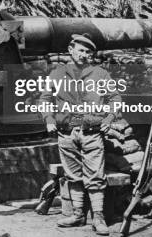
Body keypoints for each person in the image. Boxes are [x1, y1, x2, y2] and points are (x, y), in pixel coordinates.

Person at [40, 34, 120, 236]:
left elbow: (115, 98)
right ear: (70, 49)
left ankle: (98, 217)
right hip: (66, 132)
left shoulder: (100, 74)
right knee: (73, 176)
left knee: (95, 176)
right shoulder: (57, 73)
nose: (84, 55)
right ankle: (77, 215)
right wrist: (49, 119)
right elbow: (45, 98)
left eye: (89, 52)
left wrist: (109, 119)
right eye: (81, 50)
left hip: (92, 132)